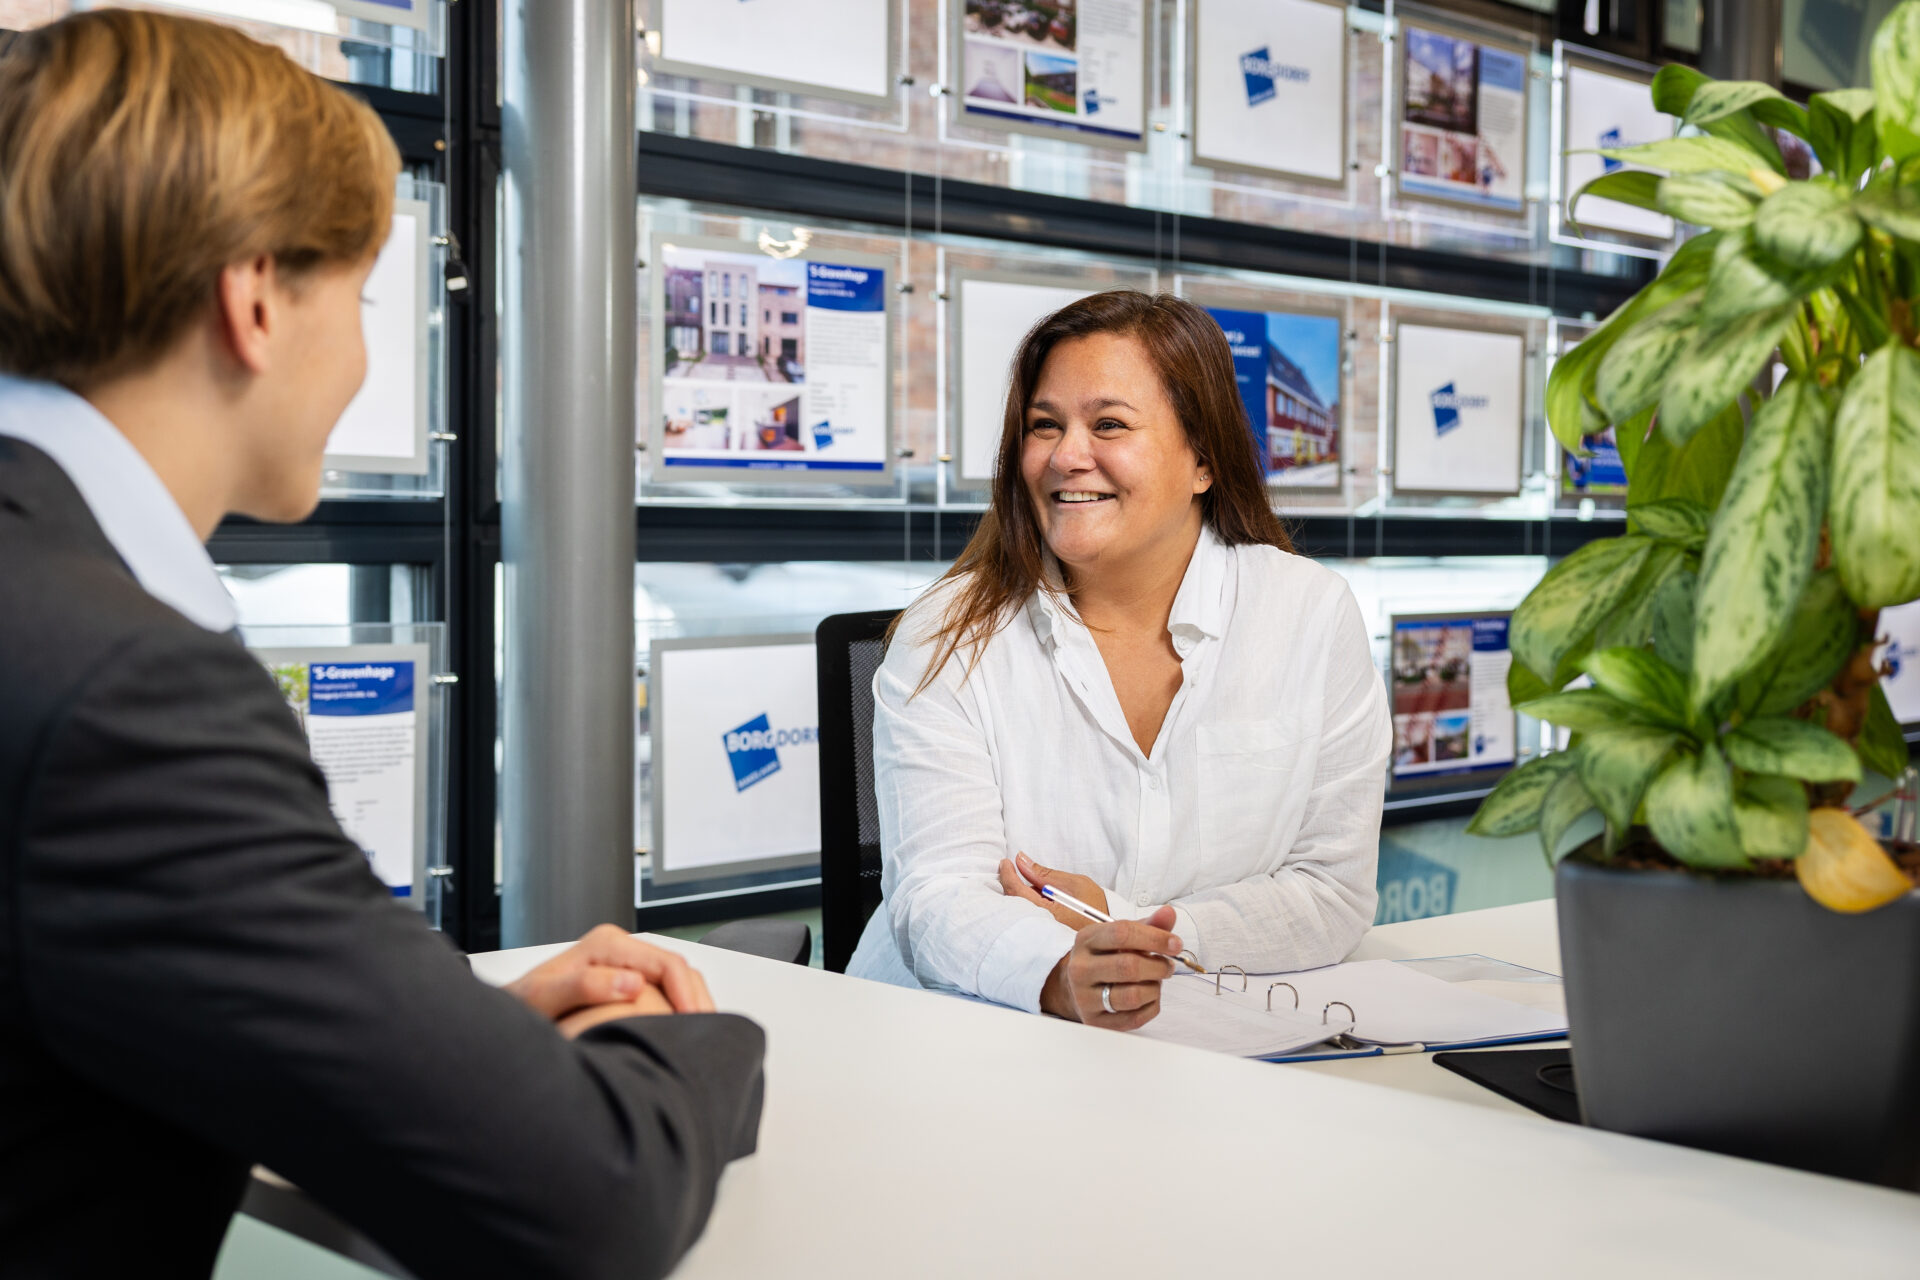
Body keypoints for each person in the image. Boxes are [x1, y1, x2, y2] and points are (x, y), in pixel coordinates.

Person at [0, 14, 762, 1279]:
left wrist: (437, 1041)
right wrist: (692, 1038)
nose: (364, 351)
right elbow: (593, 1197)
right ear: (254, 298)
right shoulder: (124, 690)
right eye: (360, 296)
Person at [847, 291, 1390, 1028]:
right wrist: (1058, 975)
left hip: (1205, 1036)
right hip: (958, 1033)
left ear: (1203, 460)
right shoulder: (947, 634)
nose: (1066, 456)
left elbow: (1331, 891)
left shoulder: (1308, 613)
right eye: (1045, 425)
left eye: (1108, 425)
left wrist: (1129, 932)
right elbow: (938, 897)